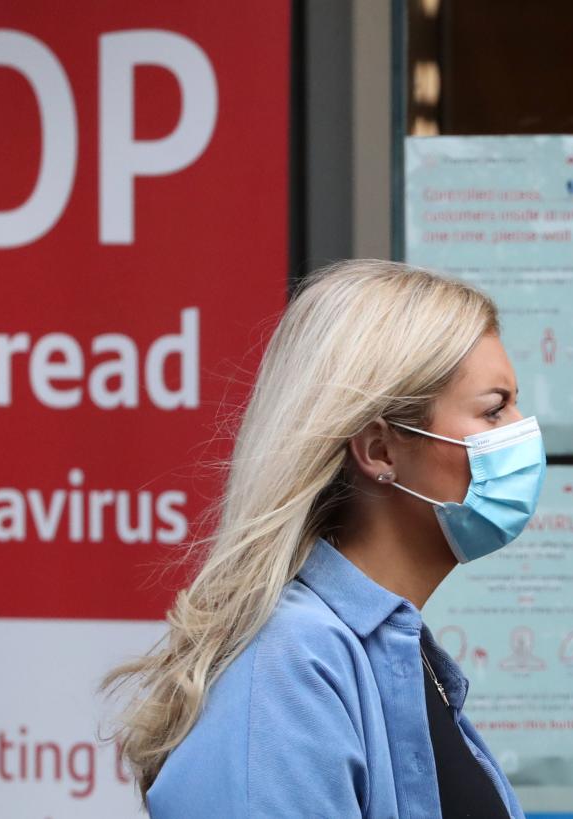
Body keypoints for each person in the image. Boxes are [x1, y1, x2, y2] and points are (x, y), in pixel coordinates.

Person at [98, 259, 544, 818]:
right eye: (495, 409)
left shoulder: (393, 654)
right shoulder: (288, 672)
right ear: (380, 450)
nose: (525, 431)